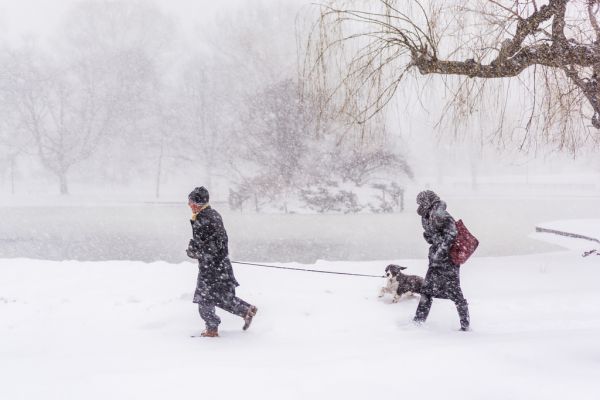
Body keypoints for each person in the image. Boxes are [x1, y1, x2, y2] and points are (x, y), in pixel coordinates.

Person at [186, 186, 257, 337]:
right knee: (219, 296)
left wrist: (196, 251)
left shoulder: (203, 218)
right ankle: (245, 310)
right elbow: (217, 242)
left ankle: (212, 329)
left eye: (191, 202)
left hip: (211, 267)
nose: (189, 205)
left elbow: (212, 246)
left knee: (204, 299)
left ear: (197, 203)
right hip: (220, 266)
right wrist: (197, 248)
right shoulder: (212, 214)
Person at [413, 190, 470, 331]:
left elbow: (451, 234)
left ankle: (465, 325)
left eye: (422, 202)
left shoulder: (441, 214)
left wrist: (440, 252)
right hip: (435, 259)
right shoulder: (427, 215)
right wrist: (429, 237)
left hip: (448, 260)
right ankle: (418, 322)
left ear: (428, 201)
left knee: (455, 292)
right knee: (426, 290)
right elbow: (435, 235)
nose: (420, 205)